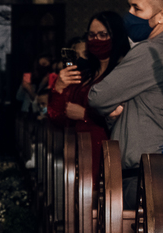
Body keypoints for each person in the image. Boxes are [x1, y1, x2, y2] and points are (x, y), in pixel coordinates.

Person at [87, 0, 163, 207]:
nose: (129, 14)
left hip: (150, 171)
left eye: (137, 8)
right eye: (129, 6)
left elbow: (97, 96)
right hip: (159, 165)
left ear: (162, 15)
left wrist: (111, 108)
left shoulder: (150, 51)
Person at [48, 11, 129, 177]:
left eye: (103, 35)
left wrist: (85, 115)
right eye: (91, 35)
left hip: (107, 152)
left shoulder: (122, 73)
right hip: (78, 151)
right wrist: (59, 87)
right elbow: (58, 117)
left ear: (116, 36)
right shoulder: (84, 75)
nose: (96, 40)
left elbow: (125, 118)